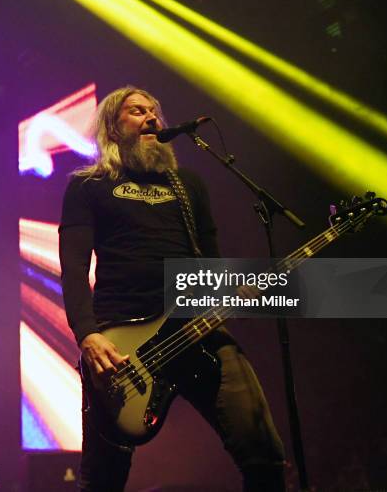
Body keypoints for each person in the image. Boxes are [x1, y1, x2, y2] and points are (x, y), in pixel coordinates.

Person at [59, 87, 285, 491]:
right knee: (102, 480)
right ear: (113, 126)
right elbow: (74, 270)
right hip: (123, 343)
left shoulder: (188, 185)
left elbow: (211, 266)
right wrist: (88, 335)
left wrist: (239, 293)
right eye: (137, 111)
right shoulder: (87, 186)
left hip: (200, 332)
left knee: (263, 452)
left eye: (154, 112)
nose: (151, 118)